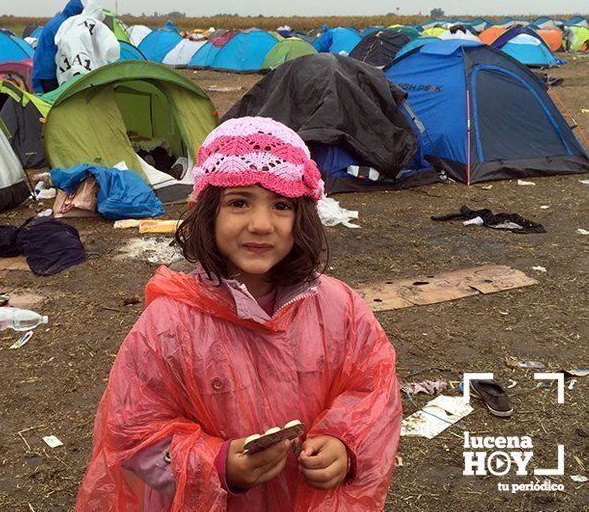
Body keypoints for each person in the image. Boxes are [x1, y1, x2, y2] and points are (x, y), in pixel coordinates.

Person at [75, 117, 402, 511]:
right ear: (208, 212)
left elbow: (374, 389)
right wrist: (213, 464)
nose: (261, 224)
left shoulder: (338, 309)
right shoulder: (170, 324)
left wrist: (345, 444)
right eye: (239, 202)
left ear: (303, 216)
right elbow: (132, 432)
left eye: (281, 205)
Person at [32, 0, 83, 93]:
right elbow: (65, 49)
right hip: (50, 72)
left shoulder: (57, 20)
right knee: (53, 102)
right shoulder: (65, 24)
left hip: (41, 68)